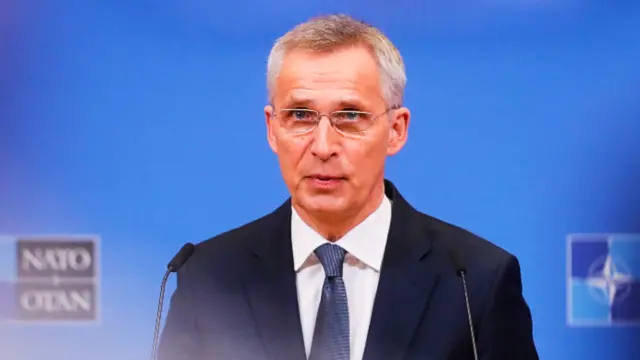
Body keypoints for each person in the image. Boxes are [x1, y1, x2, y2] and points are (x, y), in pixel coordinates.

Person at [157, 14, 539, 360]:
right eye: (300, 116)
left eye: (350, 116)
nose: (323, 146)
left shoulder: (475, 282)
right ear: (272, 129)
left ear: (396, 130)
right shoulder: (208, 279)